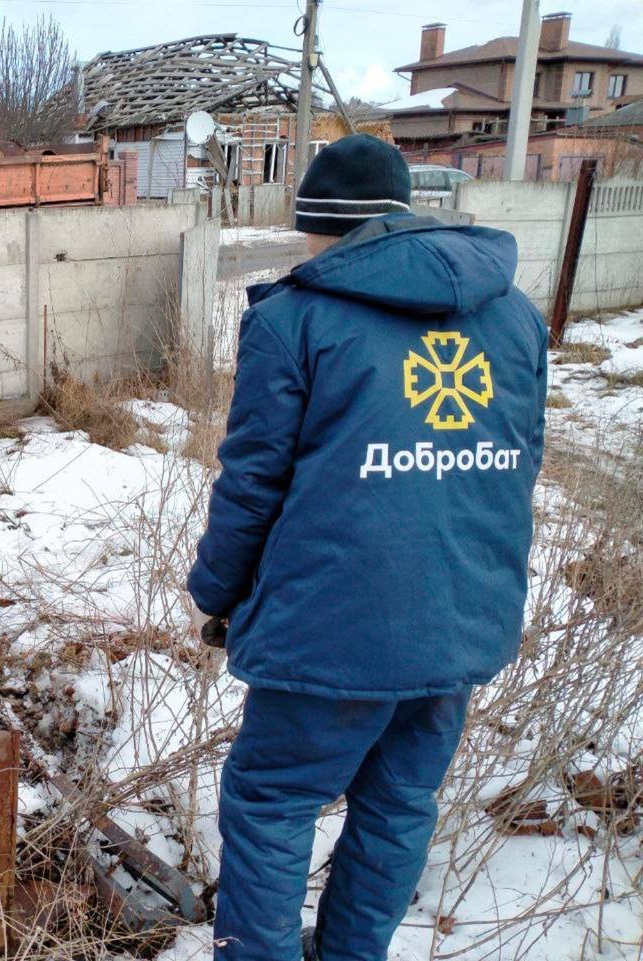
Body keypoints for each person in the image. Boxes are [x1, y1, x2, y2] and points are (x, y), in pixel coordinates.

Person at [188, 134, 546, 961]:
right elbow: (515, 466)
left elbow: (252, 486)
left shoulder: (295, 320)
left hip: (333, 626)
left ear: (325, 226)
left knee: (272, 800)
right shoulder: (517, 318)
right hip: (462, 622)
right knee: (398, 802)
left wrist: (215, 591)